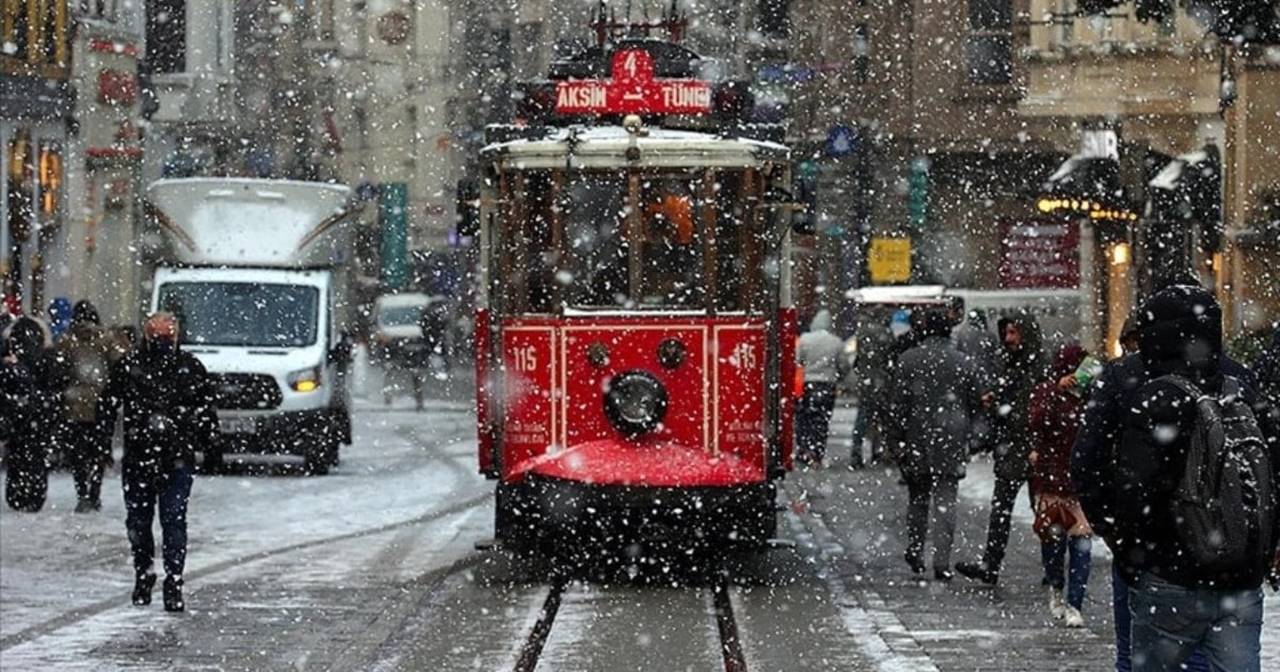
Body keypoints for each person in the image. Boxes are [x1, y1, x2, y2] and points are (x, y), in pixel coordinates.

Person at [1072, 283, 1261, 672]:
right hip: (1235, 566)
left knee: (1136, 656)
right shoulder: (1238, 381)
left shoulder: (1128, 379)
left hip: (1159, 561)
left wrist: (1124, 542)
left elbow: (1088, 464)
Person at [97, 313, 216, 612]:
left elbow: (205, 410)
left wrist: (208, 443)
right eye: (157, 334)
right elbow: (108, 404)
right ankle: (144, 573)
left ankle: (173, 579)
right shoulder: (131, 366)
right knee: (140, 520)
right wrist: (101, 443)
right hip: (141, 456)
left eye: (167, 334)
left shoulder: (189, 367)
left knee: (172, 519)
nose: (163, 339)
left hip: (175, 457)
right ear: (147, 336)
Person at [886, 308, 985, 581]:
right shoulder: (963, 362)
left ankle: (916, 550)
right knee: (946, 502)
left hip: (917, 438)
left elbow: (897, 406)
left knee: (917, 499)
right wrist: (974, 439)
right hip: (951, 439)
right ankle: (941, 561)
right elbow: (976, 404)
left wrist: (896, 441)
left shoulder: (908, 360)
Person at [956, 310, 1046, 585]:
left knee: (1040, 510)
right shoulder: (1011, 364)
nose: (1008, 338)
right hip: (1014, 448)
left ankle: (1050, 566)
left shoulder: (1036, 366)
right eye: (1006, 332)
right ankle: (992, 564)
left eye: (1013, 332)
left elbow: (1026, 409)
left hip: (1031, 448)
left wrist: (1001, 407)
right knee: (1003, 509)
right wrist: (995, 403)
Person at [1028, 342, 1093, 627]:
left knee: (1081, 546)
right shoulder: (1046, 392)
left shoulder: (1090, 395)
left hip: (1081, 481)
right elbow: (1036, 421)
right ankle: (1056, 586)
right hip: (1052, 481)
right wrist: (1057, 390)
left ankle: (1075, 603)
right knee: (1053, 544)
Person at [56, 301, 114, 512]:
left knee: (78, 453)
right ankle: (95, 491)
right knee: (98, 451)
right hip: (101, 404)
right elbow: (117, 366)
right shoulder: (106, 340)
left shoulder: (66, 341)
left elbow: (59, 370)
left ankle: (82, 493)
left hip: (74, 405)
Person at [1, 317, 63, 512]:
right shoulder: (46, 356)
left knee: (18, 453)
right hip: (38, 413)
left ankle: (17, 494)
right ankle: (33, 495)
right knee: (35, 455)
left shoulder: (13, 363)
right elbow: (55, 382)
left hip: (19, 413)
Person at [795, 309, 844, 465]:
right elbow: (843, 365)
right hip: (828, 384)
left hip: (808, 383)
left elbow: (798, 359)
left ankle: (804, 449)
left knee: (804, 418)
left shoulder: (805, 339)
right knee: (822, 420)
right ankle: (818, 451)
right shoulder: (836, 341)